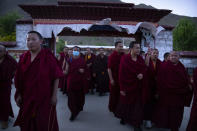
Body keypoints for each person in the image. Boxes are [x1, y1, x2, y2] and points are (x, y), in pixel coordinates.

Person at [14, 31, 63, 131]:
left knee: (43, 123)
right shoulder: (23, 57)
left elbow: (56, 76)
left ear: (41, 41)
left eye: (33, 39)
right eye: (28, 40)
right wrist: (19, 93)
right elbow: (19, 78)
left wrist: (54, 96)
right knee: (27, 122)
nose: (30, 42)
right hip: (27, 96)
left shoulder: (48, 57)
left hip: (44, 97)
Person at [152, 51, 193, 131]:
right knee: (167, 113)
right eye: (171, 56)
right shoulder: (164, 66)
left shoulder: (181, 67)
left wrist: (189, 84)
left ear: (179, 57)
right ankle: (167, 126)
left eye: (175, 56)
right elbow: (160, 80)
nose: (173, 57)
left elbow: (186, 78)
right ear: (169, 57)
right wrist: (158, 92)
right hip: (167, 95)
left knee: (177, 114)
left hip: (178, 96)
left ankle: (175, 127)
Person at [116, 42, 148, 131]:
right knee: (126, 104)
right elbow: (121, 74)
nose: (138, 50)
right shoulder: (125, 59)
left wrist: (142, 74)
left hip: (138, 87)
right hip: (127, 86)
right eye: (136, 48)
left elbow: (144, 68)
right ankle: (124, 117)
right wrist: (122, 88)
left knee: (137, 106)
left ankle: (136, 124)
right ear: (131, 49)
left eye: (139, 48)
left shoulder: (140, 59)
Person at [67, 46, 86, 121]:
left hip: (80, 82)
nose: (75, 51)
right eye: (74, 50)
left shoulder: (82, 61)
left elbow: (86, 71)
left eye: (77, 50)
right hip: (71, 81)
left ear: (79, 52)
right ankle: (73, 113)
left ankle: (78, 108)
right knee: (71, 99)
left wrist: (83, 71)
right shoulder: (69, 60)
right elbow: (66, 70)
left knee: (79, 98)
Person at [0, 45, 17, 129]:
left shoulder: (10, 60)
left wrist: (10, 77)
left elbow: (16, 69)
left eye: (1, 51)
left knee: (5, 102)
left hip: (5, 85)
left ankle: (4, 120)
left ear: (5, 52)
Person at [144, 49, 161, 128]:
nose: (155, 55)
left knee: (155, 105)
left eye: (157, 53)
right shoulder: (146, 62)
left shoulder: (160, 63)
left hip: (157, 87)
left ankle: (154, 119)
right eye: (154, 53)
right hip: (147, 86)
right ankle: (147, 120)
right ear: (150, 54)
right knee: (148, 104)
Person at [108, 41, 124, 115]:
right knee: (114, 95)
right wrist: (111, 79)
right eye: (119, 46)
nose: (121, 48)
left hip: (122, 78)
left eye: (122, 46)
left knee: (120, 95)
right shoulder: (112, 56)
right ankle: (113, 108)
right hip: (114, 78)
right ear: (115, 47)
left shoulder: (123, 55)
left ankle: (119, 109)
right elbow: (109, 68)